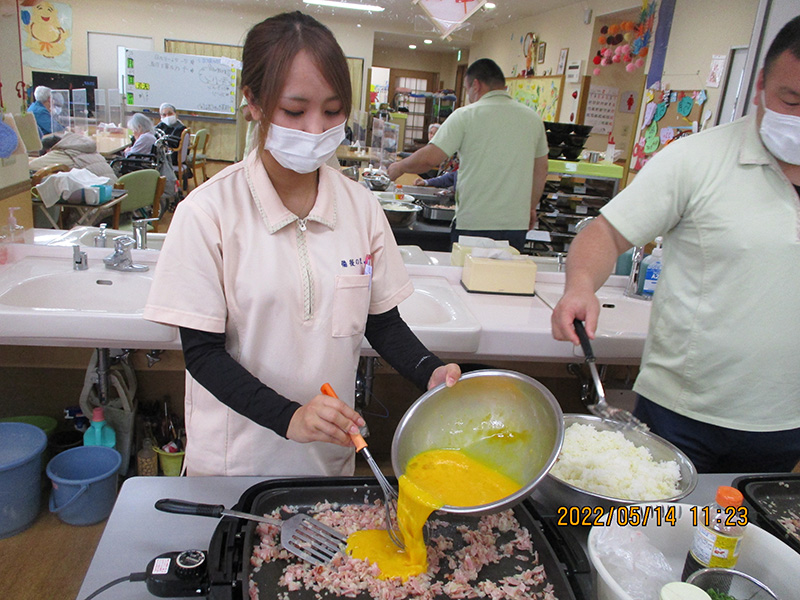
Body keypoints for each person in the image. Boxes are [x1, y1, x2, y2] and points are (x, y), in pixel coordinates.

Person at [143, 11, 461, 477]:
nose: (316, 129)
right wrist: (289, 417)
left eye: (332, 111)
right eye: (295, 111)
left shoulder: (360, 208)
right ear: (253, 102)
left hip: (326, 462)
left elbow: (381, 322)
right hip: (236, 466)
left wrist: (428, 370)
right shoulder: (208, 213)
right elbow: (202, 354)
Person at [550, 15, 800, 474]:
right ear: (761, 85)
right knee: (653, 515)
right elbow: (604, 233)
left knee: (742, 520)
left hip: (785, 421)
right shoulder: (697, 160)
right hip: (681, 414)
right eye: (793, 100)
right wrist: (580, 285)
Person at [387, 59, 549, 251]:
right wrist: (531, 207)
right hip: (515, 225)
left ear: (476, 85)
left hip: (475, 223)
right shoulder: (533, 119)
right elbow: (541, 171)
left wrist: (400, 166)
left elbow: (430, 158)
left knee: (466, 270)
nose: (469, 96)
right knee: (506, 271)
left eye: (466, 89)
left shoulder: (465, 115)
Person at [29, 132, 117, 182]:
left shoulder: (61, 154)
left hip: (98, 200)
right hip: (113, 194)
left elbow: (30, 167)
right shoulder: (84, 149)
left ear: (49, 151)